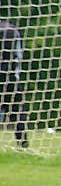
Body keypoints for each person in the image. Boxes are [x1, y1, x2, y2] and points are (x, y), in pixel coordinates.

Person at [0, 19, 28, 148]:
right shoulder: (11, 29)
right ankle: (23, 144)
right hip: (10, 77)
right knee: (17, 114)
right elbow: (18, 55)